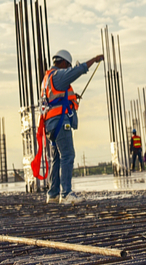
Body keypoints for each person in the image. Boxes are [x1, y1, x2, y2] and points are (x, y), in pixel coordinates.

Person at [40, 49, 104, 205]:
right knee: (68, 155)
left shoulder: (47, 78)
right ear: (63, 63)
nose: (67, 69)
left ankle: (53, 194)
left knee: (56, 158)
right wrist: (94, 59)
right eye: (67, 66)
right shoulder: (59, 75)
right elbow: (77, 71)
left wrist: (73, 98)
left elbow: (56, 98)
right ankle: (66, 193)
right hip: (60, 123)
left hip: (50, 125)